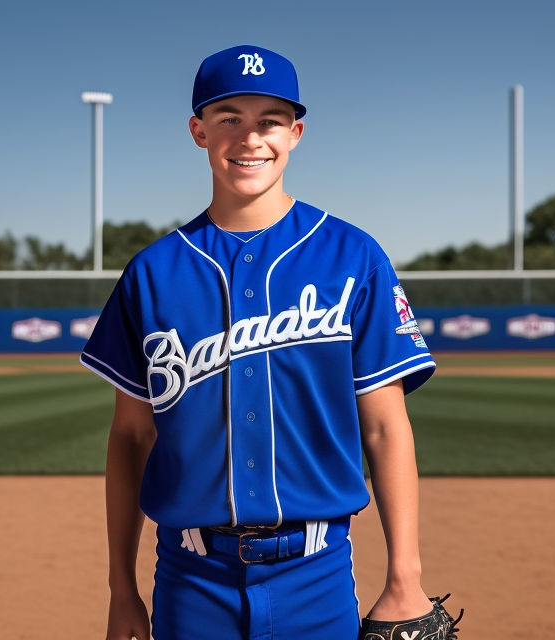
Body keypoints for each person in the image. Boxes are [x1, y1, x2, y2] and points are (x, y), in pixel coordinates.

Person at [81, 44, 438, 640]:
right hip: (190, 580)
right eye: (229, 119)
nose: (251, 139)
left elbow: (384, 426)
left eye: (269, 121)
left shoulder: (354, 257)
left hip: (318, 577)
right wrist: (123, 591)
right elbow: (131, 435)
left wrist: (405, 575)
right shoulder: (152, 272)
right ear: (199, 132)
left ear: (295, 133)